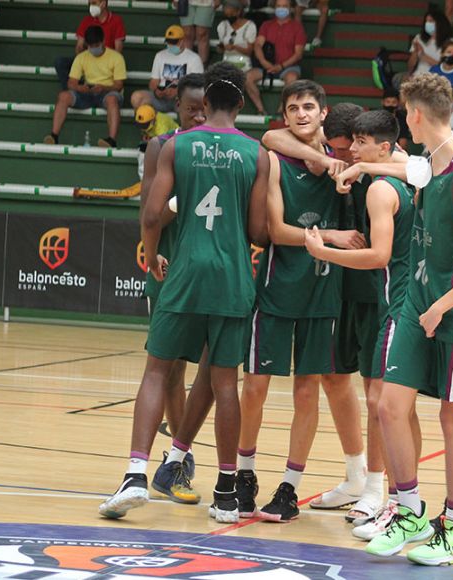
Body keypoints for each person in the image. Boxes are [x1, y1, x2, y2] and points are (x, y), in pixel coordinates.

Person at [337, 72, 453, 566]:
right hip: (419, 303)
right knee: (389, 404)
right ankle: (409, 509)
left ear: (412, 115)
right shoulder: (430, 163)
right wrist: (358, 171)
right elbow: (400, 166)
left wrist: (442, 305)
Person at [99, 62, 270, 524]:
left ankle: (136, 473)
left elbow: (152, 214)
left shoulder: (176, 145)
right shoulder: (258, 154)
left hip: (184, 272)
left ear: (206, 102)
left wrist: (153, 255)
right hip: (233, 276)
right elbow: (258, 230)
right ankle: (227, 491)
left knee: (157, 372)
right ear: (238, 103)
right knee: (224, 383)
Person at [238, 81, 363, 523]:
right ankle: (245, 473)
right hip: (275, 286)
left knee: (307, 391)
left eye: (309, 106)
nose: (302, 113)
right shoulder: (274, 158)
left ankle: (290, 486)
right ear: (285, 115)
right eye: (293, 108)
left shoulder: (346, 159)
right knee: (254, 386)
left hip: (323, 291)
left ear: (323, 112)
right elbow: (276, 230)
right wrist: (330, 235)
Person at [303, 109, 422, 540]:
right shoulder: (341, 162)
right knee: (350, 385)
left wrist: (324, 251)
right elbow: (275, 141)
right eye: (346, 142)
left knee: (382, 400)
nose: (350, 149)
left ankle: (384, 492)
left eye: (358, 142)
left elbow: (379, 254)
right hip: (359, 291)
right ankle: (371, 485)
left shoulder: (392, 178)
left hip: (387, 295)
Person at [127, 73, 214, 509]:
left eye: (205, 107)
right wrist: (177, 205)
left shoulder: (227, 150)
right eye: (190, 107)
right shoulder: (163, 148)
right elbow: (151, 213)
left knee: (213, 373)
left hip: (212, 275)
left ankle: (177, 456)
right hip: (169, 269)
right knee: (171, 369)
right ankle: (179, 464)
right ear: (176, 107)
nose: (198, 114)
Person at [44, 25, 126, 148]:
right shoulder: (81, 57)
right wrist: (79, 88)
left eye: (96, 45)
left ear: (103, 41)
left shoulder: (116, 57)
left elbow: (119, 85)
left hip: (107, 92)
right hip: (87, 92)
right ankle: (54, 135)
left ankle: (111, 140)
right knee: (63, 96)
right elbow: (71, 83)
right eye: (91, 46)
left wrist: (103, 88)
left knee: (112, 99)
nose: (93, 49)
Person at [248, 0, 306, 115]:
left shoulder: (297, 27)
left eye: (285, 6)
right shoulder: (266, 25)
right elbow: (258, 45)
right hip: (267, 66)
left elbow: (298, 54)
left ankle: (281, 110)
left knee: (292, 79)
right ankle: (261, 110)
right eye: (279, 6)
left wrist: (281, 66)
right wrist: (264, 62)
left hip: (288, 67)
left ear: (291, 8)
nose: (281, 8)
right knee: (247, 77)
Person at [54, 0, 125, 90]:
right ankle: (75, 90)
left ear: (104, 3)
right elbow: (79, 47)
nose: (91, 6)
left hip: (107, 61)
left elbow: (118, 50)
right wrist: (85, 59)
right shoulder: (87, 20)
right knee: (60, 62)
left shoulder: (116, 20)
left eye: (94, 3)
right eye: (90, 3)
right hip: (88, 58)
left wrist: (104, 60)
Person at [131, 25, 203, 113]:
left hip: (181, 99)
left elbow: (197, 86)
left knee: (190, 104)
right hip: (161, 98)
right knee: (137, 98)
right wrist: (157, 91)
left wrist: (178, 91)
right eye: (169, 42)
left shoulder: (194, 58)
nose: (171, 45)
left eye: (174, 42)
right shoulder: (160, 56)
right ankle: (149, 125)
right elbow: (153, 82)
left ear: (182, 40)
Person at [215, 0, 257, 73]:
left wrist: (235, 47)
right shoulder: (223, 25)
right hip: (226, 62)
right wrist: (221, 48)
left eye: (231, 14)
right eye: (227, 15)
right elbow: (220, 47)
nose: (229, 17)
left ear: (238, 12)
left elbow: (249, 51)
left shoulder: (250, 26)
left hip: (243, 63)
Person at [409, 7, 453, 76]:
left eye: (431, 21)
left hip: (437, 78)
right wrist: (415, 52)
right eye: (426, 21)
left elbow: (446, 68)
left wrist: (423, 56)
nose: (427, 24)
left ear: (439, 22)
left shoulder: (449, 41)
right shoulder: (419, 38)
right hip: (418, 76)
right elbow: (410, 68)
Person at [178, 0, 217, 64]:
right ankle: (186, 65)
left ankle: (202, 67)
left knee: (202, 33)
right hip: (185, 2)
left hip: (207, 2)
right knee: (187, 34)